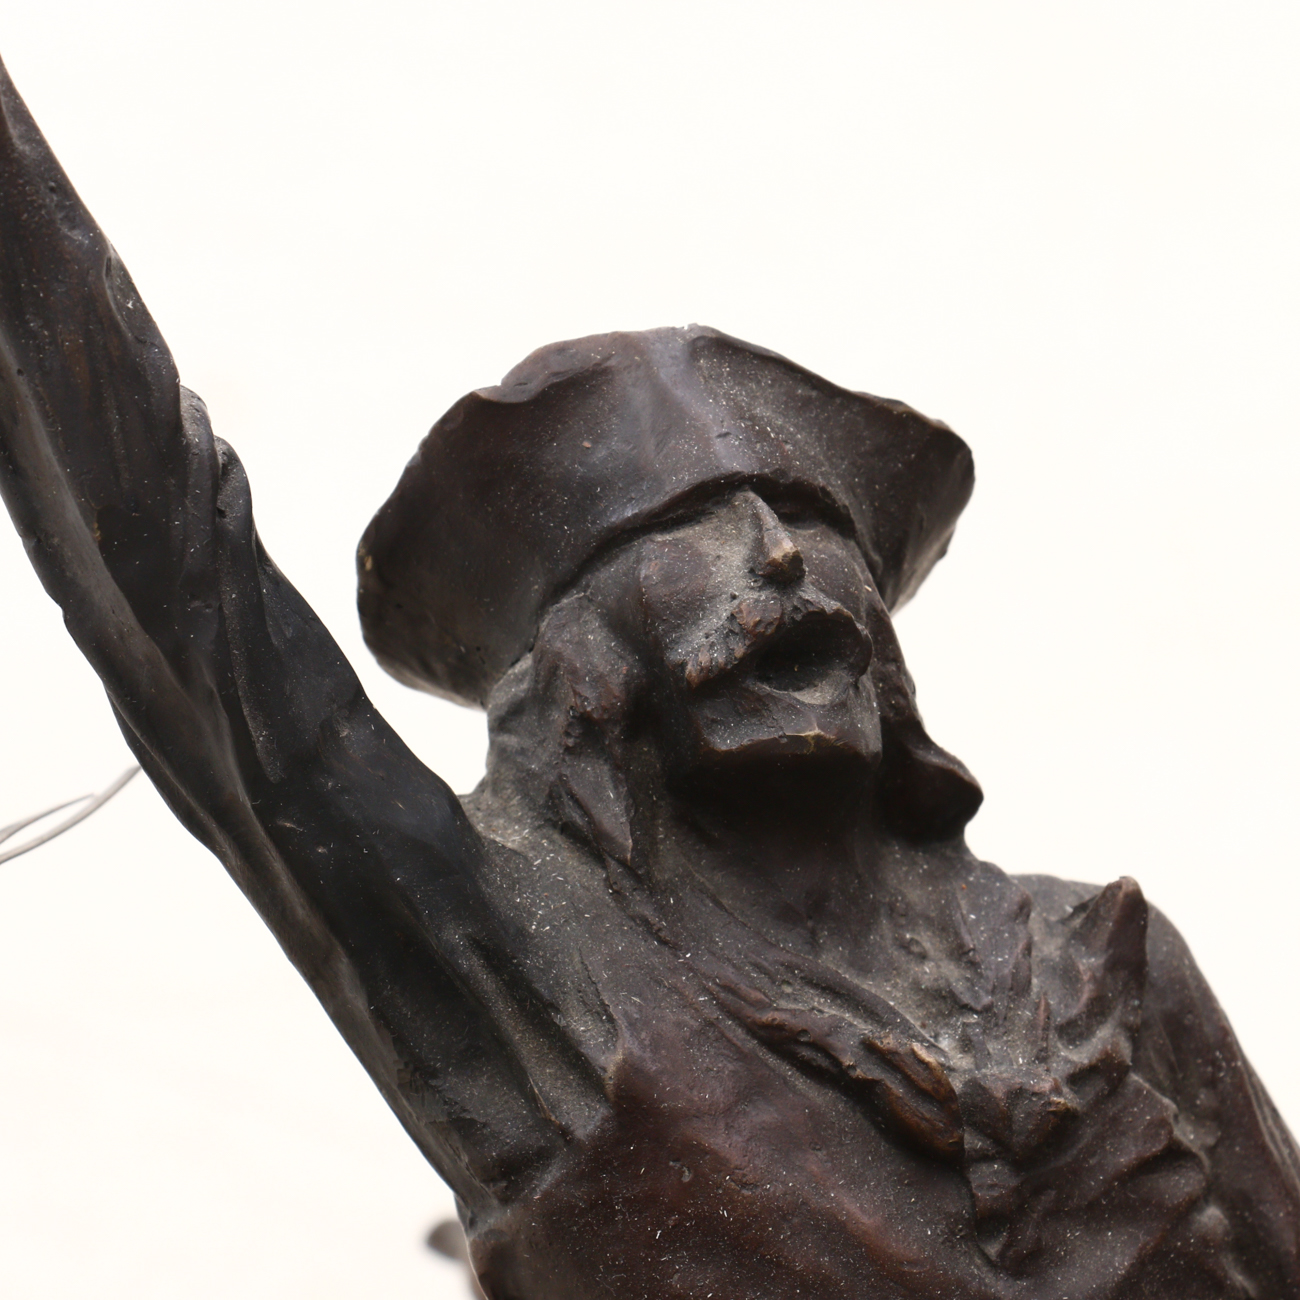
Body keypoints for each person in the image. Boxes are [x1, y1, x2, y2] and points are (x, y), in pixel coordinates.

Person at [2, 55, 1296, 1300]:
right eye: (699, 540)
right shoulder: (529, 989)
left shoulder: (1114, 967)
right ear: (582, 673)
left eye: (810, 528)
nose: (782, 561)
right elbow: (182, 588)